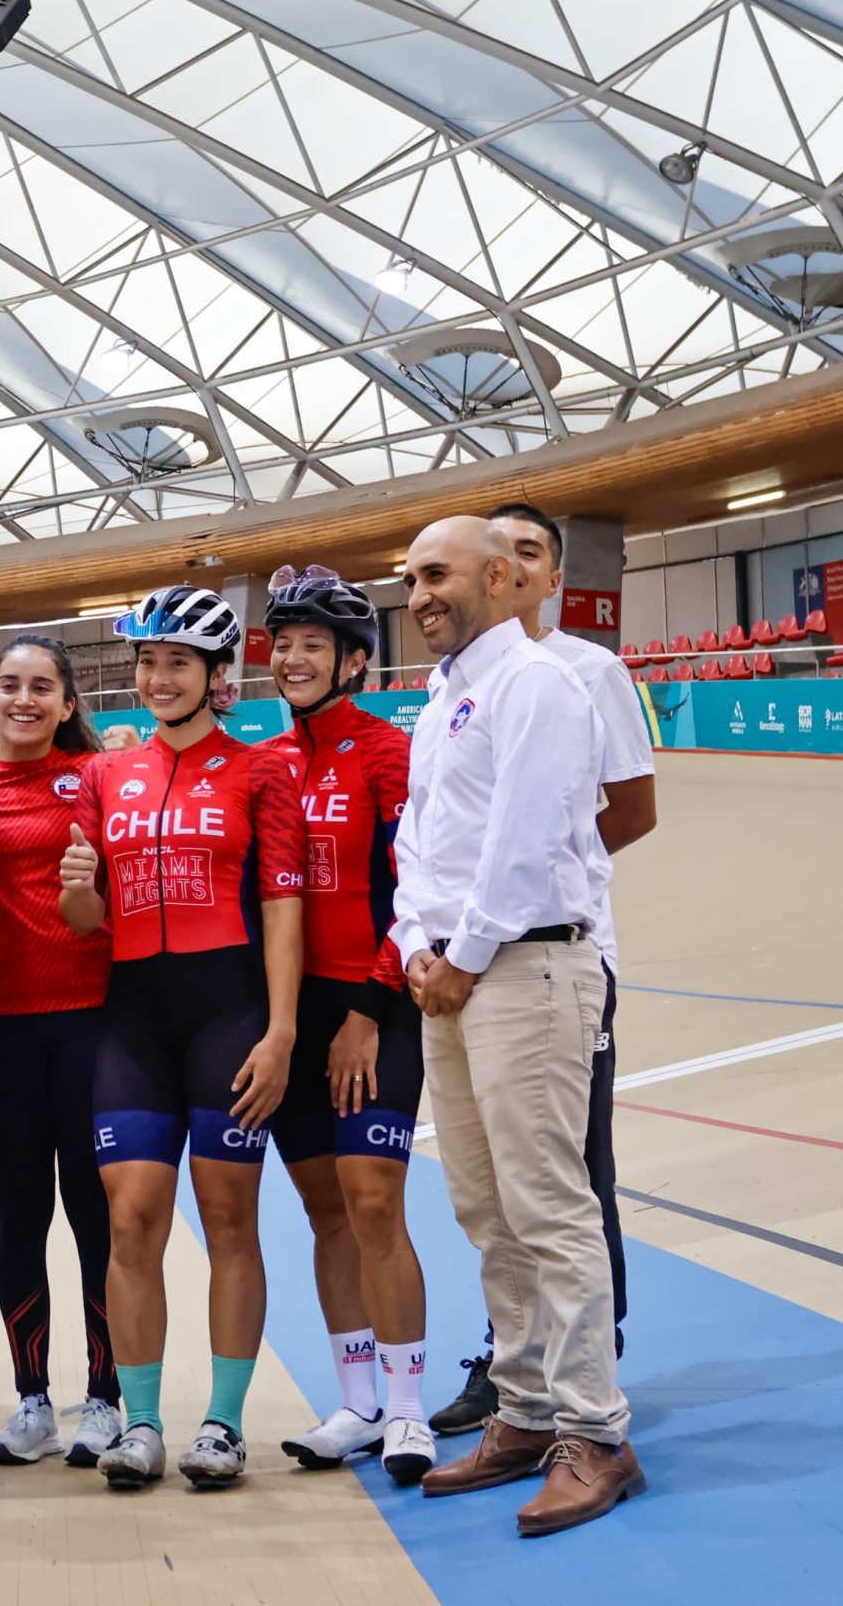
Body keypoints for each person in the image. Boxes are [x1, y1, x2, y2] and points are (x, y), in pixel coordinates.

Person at [391, 516, 641, 1536]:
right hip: (453, 976)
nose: (420, 595)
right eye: (410, 580)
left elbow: (528, 838)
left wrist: (462, 952)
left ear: (500, 578)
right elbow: (418, 841)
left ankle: (595, 1430)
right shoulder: (442, 697)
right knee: (485, 1209)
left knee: (547, 1206)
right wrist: (415, 937)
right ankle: (528, 1408)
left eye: (437, 574)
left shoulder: (538, 683)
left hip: (528, 965)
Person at [56, 584, 306, 1492]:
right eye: (146, 663)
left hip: (229, 1016)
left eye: (177, 663)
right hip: (133, 1019)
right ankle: (144, 1420)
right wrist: (80, 884)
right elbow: (85, 917)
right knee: (130, 1223)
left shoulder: (260, 771)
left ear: (215, 675)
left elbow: (283, 909)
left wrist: (280, 1031)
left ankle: (225, 1424)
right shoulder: (105, 775)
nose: (157, 679)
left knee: (231, 1219)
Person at [254, 567, 435, 1486]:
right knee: (326, 1212)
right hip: (301, 1012)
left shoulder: (386, 752)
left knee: (374, 1203)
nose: (290, 658)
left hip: (375, 1006)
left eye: (311, 645)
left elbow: (420, 891)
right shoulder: (270, 761)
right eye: (282, 644)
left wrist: (369, 1007)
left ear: (354, 661)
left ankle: (409, 1409)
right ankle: (358, 1403)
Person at [0, 635, 122, 1469]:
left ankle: (105, 1396)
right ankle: (33, 1402)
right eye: (9, 685)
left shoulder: (94, 778)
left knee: (96, 1217)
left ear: (67, 703)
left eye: (42, 687)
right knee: (18, 1218)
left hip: (89, 1023)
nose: (23, 698)